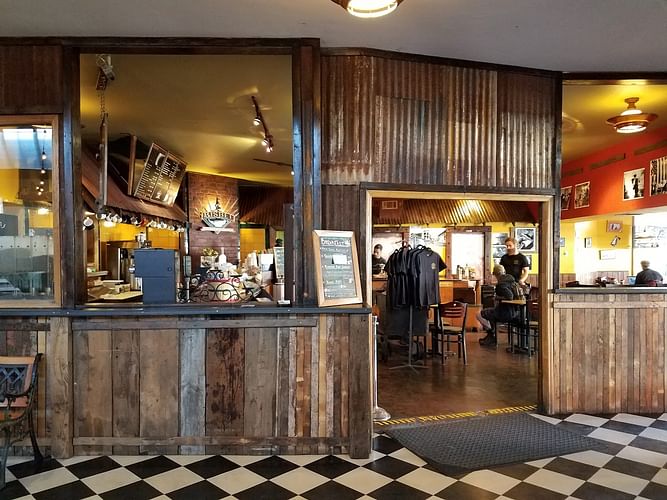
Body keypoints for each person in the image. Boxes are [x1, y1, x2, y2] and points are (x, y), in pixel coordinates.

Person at [476, 264, 519, 346]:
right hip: (515, 312)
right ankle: (491, 335)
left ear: (496, 274)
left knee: (479, 315)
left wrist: (497, 298)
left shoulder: (501, 284)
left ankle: (491, 334)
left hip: (504, 313)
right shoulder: (512, 281)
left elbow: (510, 296)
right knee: (490, 314)